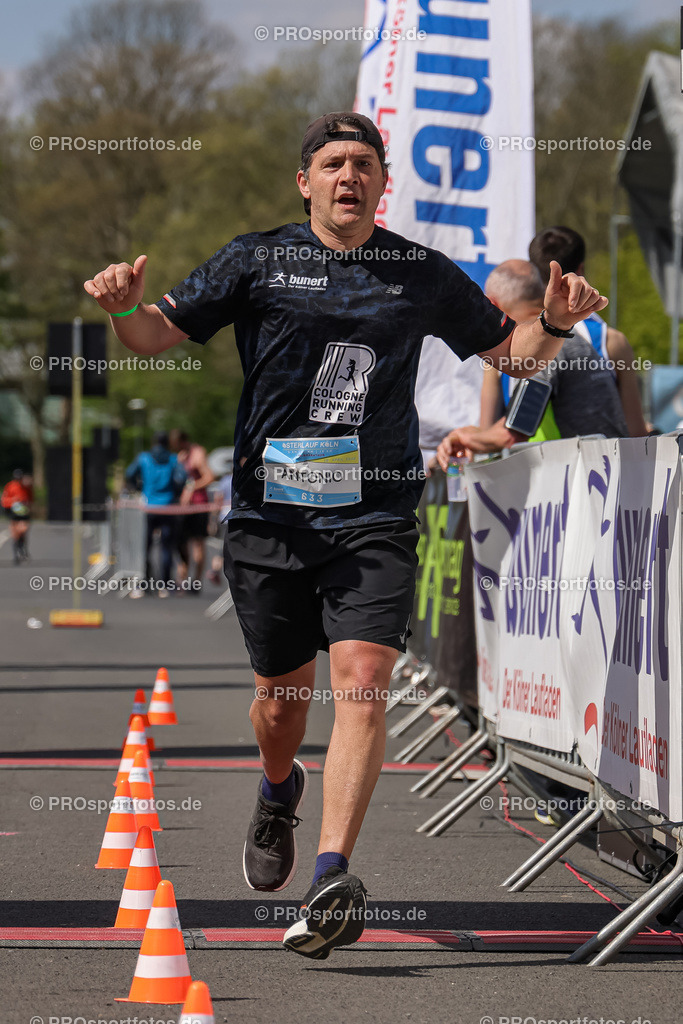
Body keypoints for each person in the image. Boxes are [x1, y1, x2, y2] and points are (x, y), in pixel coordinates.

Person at [84, 110, 606, 959]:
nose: (348, 177)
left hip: (374, 514)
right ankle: (277, 789)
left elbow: (510, 359)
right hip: (268, 517)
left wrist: (547, 322)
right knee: (280, 708)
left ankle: (331, 878)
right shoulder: (254, 258)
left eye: (363, 163)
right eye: (332, 164)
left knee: (362, 680)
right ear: (305, 181)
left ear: (381, 181)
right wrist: (124, 307)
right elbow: (152, 336)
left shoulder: (417, 271)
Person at [475, 259, 634, 444]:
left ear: (493, 304)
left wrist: (465, 438)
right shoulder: (566, 336)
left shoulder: (544, 343)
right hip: (602, 464)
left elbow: (514, 432)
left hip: (578, 469)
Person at [529, 226, 648, 437]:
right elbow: (636, 432)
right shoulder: (611, 341)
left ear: (533, 269)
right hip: (594, 465)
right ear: (581, 269)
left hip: (523, 463)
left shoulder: (509, 336)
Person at [125, 432, 187, 595]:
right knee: (166, 547)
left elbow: (129, 474)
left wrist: (137, 488)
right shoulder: (173, 459)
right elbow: (182, 478)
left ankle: (145, 581)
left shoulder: (144, 458)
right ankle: (165, 584)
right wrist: (175, 493)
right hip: (167, 507)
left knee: (145, 546)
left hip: (148, 507)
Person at [169, 429, 215, 592]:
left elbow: (209, 477)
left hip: (198, 504)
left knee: (198, 544)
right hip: (183, 507)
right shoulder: (180, 456)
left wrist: (191, 487)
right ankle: (182, 579)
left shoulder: (197, 453)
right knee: (181, 544)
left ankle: (196, 581)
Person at [2, 469, 33, 564]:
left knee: (23, 530)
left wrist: (28, 505)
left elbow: (30, 498)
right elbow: (4, 500)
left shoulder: (26, 487)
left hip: (24, 513)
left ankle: (23, 549)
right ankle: (16, 554)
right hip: (13, 512)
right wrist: (13, 500)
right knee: (15, 534)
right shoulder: (10, 486)